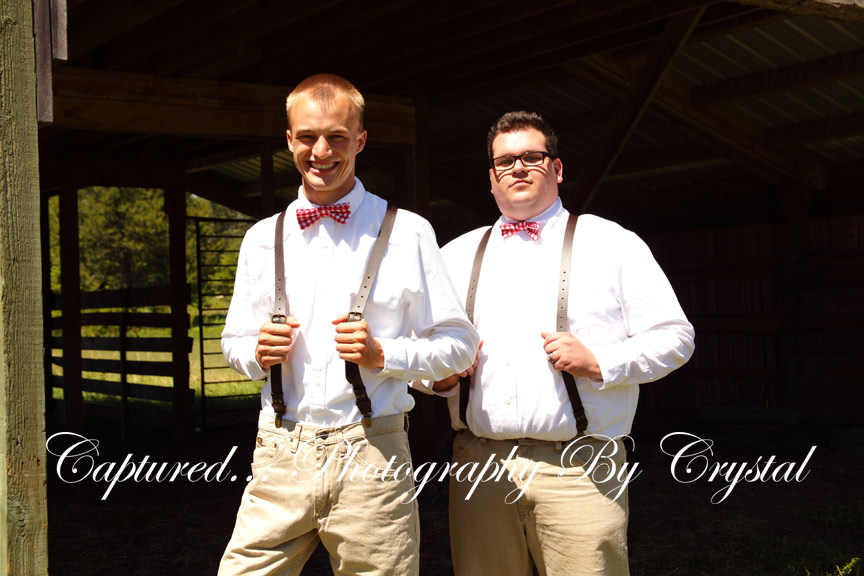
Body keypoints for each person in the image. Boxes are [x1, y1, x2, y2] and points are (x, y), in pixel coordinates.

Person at [218, 73, 479, 576]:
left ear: (360, 140)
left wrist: (384, 355)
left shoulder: (408, 232)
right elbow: (234, 342)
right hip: (280, 451)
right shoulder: (261, 238)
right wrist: (256, 353)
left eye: (336, 137)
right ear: (289, 140)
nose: (321, 151)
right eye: (308, 137)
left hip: (373, 453)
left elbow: (459, 345)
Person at [432, 111, 695, 576]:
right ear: (491, 178)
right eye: (505, 161)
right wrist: (439, 378)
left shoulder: (613, 243)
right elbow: (420, 350)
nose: (518, 167)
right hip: (479, 464)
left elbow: (676, 337)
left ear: (556, 168)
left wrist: (600, 362)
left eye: (531, 157)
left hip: (580, 469)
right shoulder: (453, 256)